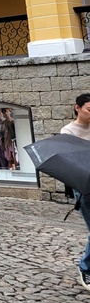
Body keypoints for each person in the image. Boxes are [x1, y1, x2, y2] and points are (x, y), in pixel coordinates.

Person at [63, 94, 90, 291]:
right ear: (77, 108)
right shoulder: (68, 131)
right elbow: (70, 162)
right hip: (83, 186)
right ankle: (85, 267)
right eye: (89, 109)